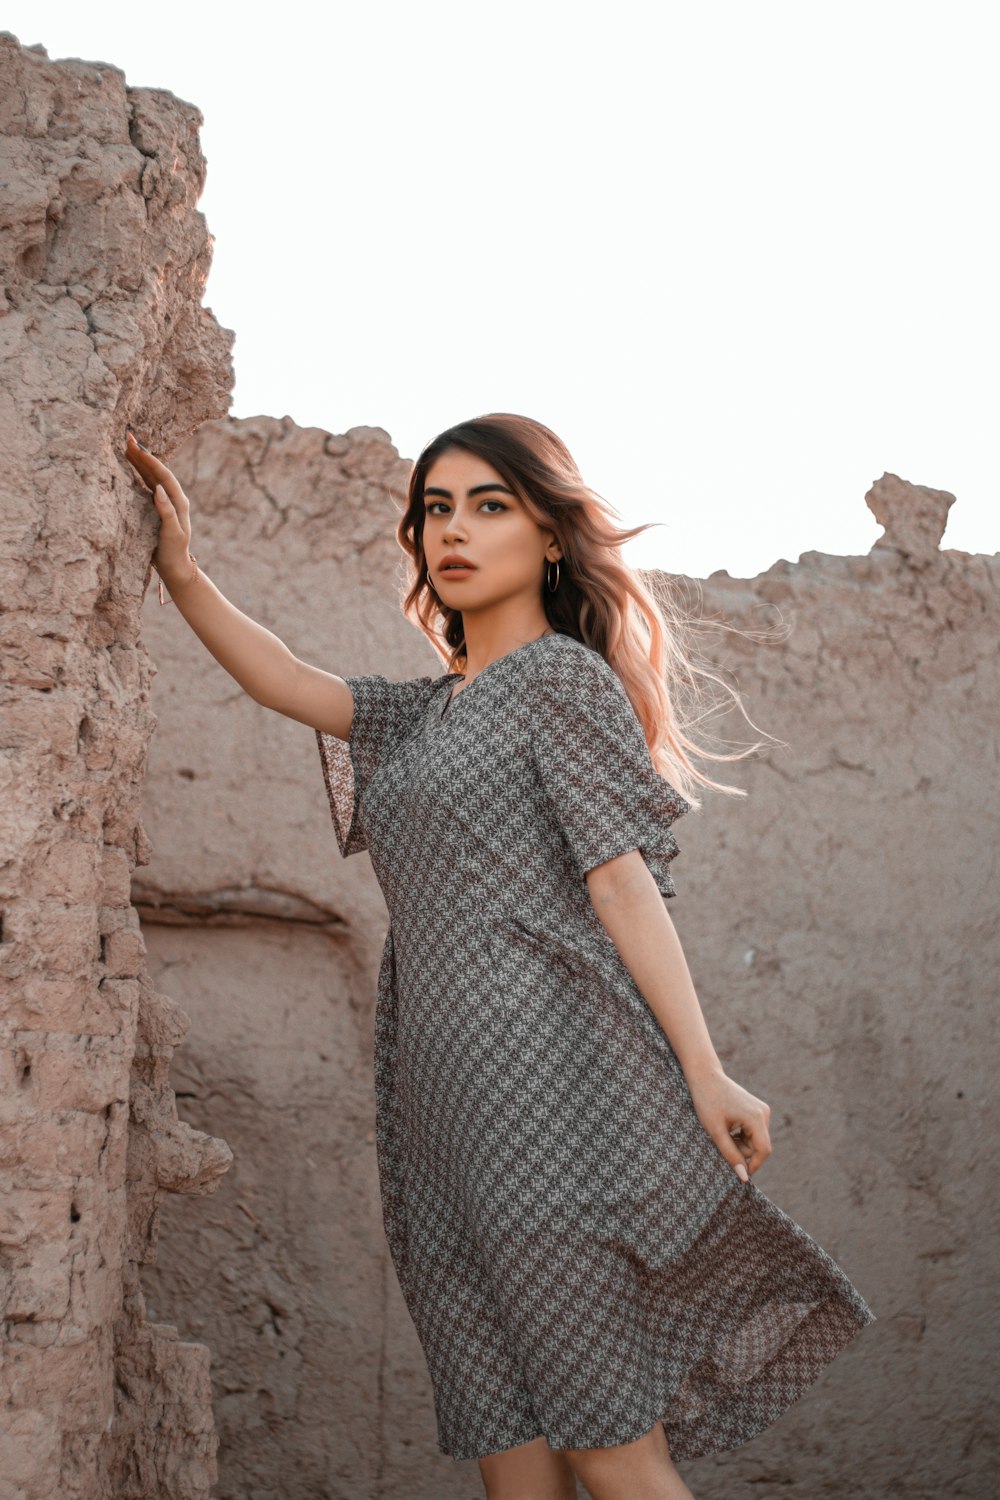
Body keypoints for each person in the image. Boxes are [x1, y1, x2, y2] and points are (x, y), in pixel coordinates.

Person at [124, 415, 876, 1500]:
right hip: (435, 1119)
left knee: (610, 1449)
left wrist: (705, 1071)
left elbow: (618, 881)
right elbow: (287, 681)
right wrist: (182, 570)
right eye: (436, 509)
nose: (453, 532)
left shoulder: (563, 685)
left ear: (551, 536)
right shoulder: (422, 714)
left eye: (489, 506)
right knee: (510, 1455)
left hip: (554, 1102)